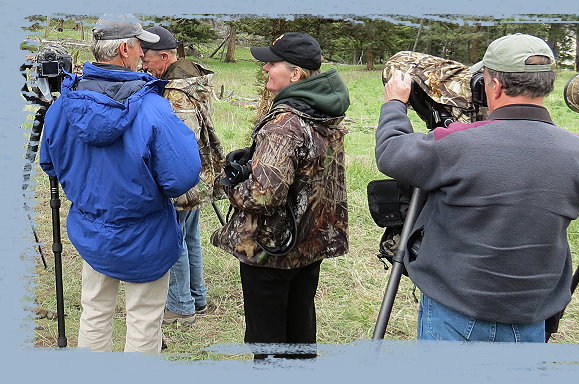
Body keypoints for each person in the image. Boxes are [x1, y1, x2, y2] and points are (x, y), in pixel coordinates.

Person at [375, 33, 579, 343]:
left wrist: (395, 104)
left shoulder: (456, 144)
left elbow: (391, 152)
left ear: (493, 84)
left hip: (454, 309)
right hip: (530, 314)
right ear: (547, 84)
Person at [39, 16, 201, 352]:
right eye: (141, 45)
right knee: (143, 318)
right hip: (146, 234)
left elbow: (49, 162)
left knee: (95, 312)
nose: (144, 53)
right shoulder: (154, 109)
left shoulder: (63, 106)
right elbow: (182, 177)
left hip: (92, 229)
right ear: (125, 49)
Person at [212, 32, 349, 359]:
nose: (266, 69)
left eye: (272, 63)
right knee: (300, 333)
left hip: (271, 252)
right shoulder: (322, 111)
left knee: (269, 345)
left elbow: (263, 197)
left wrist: (231, 184)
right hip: (307, 244)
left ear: (296, 74)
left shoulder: (285, 123)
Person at [141, 26, 226, 325]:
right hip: (201, 177)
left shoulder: (176, 91)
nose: (143, 65)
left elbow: (179, 146)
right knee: (189, 238)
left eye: (146, 59)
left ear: (164, 56)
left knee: (173, 241)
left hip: (185, 180)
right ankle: (196, 297)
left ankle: (180, 306)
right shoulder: (192, 80)